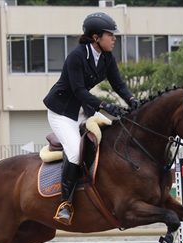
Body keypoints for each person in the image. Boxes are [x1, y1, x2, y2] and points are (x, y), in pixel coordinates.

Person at [43, 12, 139, 225]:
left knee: (113, 135)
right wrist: (104, 105)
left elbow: (119, 84)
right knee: (75, 153)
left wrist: (133, 100)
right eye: (110, 35)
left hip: (83, 110)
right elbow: (77, 90)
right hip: (63, 113)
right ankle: (65, 204)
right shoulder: (77, 55)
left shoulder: (106, 57)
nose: (114, 38)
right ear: (96, 37)